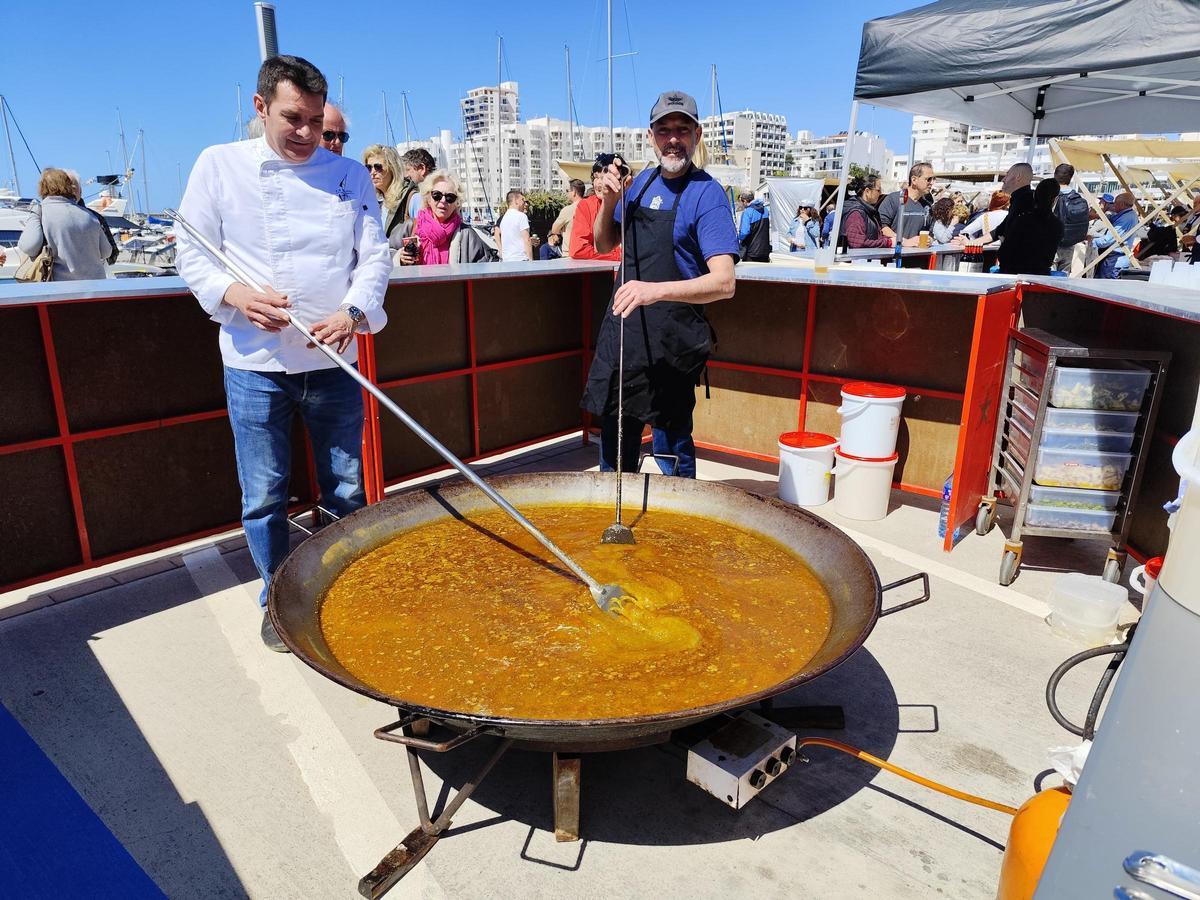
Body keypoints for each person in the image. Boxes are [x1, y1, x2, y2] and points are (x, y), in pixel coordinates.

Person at [174, 55, 390, 652]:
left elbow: (374, 257)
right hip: (254, 363)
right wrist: (235, 295)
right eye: (294, 118)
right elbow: (192, 252)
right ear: (261, 106)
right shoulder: (217, 165)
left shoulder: (347, 173)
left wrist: (351, 314)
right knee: (265, 494)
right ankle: (277, 598)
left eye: (317, 122)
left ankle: (347, 589)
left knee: (345, 488)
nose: (307, 134)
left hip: (333, 360)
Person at [581, 90, 738, 479]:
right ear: (651, 136)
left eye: (682, 129)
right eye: (664, 129)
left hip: (673, 346)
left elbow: (724, 282)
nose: (673, 138)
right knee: (617, 454)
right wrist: (609, 199)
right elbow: (604, 242)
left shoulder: (708, 195)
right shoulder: (640, 184)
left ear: (696, 135)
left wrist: (654, 290)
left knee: (671, 455)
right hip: (626, 338)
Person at [17, 167, 111, 281]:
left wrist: (34, 214)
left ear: (42, 187)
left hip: (62, 290)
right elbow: (106, 252)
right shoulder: (89, 215)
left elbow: (30, 247)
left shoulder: (41, 212)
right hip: (96, 287)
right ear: (69, 186)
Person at [395, 170, 492, 266]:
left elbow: (482, 267)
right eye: (437, 195)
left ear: (456, 203)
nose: (443, 200)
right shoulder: (411, 226)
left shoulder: (466, 234)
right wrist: (400, 258)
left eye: (450, 197)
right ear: (428, 198)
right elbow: (386, 253)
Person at [997, 178, 1062, 276]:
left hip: (1014, 275)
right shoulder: (1058, 225)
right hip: (1040, 277)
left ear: (1035, 195)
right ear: (1055, 199)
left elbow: (1005, 254)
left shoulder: (1022, 220)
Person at [570, 161, 622, 261]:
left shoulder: (631, 202)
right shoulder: (586, 206)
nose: (598, 183)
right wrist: (618, 255)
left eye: (603, 178)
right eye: (596, 177)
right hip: (601, 272)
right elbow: (578, 249)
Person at [361, 144, 407, 247]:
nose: (373, 172)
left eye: (378, 167)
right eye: (368, 167)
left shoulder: (411, 198)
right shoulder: (377, 203)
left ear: (392, 168)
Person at [879, 161, 934, 246]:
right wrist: (903, 241)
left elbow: (930, 231)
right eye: (928, 179)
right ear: (914, 180)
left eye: (933, 179)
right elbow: (881, 227)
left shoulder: (927, 206)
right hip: (895, 256)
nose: (932, 183)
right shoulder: (894, 199)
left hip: (919, 256)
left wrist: (929, 239)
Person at [1051, 164, 1090, 276]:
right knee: (1063, 276)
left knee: (1048, 278)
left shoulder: (1052, 195)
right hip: (1070, 243)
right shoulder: (1076, 197)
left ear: (1055, 175)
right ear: (1070, 178)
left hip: (1052, 244)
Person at [839, 173, 892, 249]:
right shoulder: (856, 214)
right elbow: (858, 243)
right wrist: (888, 242)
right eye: (878, 190)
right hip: (857, 260)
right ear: (867, 191)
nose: (880, 193)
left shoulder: (868, 212)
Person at [1094, 191, 1139, 278]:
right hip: (1117, 258)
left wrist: (1092, 241)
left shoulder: (1126, 218)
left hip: (1115, 259)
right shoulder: (1129, 214)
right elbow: (1113, 219)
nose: (1114, 206)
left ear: (1121, 204)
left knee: (1105, 285)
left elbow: (1108, 240)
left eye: (1115, 204)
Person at [551, 179, 586, 258]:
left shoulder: (568, 210)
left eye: (567, 191)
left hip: (570, 253)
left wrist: (561, 231)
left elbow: (554, 229)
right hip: (587, 252)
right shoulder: (590, 207)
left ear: (573, 192)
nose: (566, 193)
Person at [496, 190, 531, 261]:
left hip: (507, 260)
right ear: (516, 201)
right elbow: (526, 240)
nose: (525, 202)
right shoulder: (521, 216)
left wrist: (501, 251)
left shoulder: (503, 219)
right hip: (521, 259)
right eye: (522, 199)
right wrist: (530, 260)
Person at [737, 190, 770, 262]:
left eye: (741, 202)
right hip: (764, 251)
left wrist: (738, 238)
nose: (741, 204)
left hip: (751, 251)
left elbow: (744, 232)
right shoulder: (765, 210)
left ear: (745, 201)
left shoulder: (748, 211)